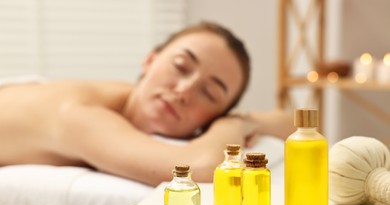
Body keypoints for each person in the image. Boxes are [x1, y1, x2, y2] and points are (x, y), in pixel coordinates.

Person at [0, 21, 294, 186]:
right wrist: (236, 124)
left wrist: (248, 119)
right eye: (180, 66)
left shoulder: (123, 101)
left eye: (210, 93)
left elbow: (293, 122)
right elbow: (201, 168)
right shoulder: (80, 115)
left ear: (211, 118)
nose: (183, 91)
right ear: (150, 60)